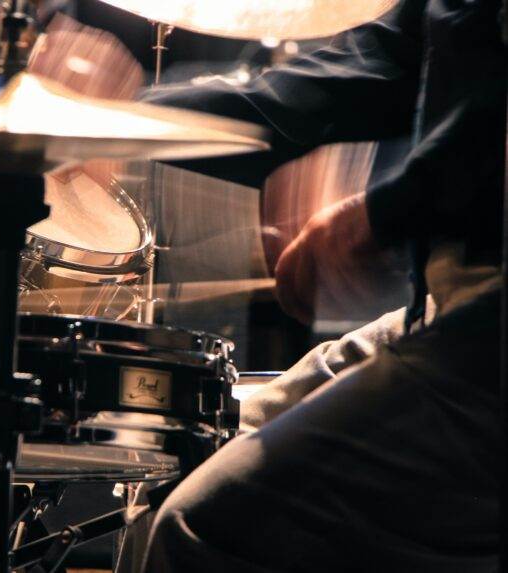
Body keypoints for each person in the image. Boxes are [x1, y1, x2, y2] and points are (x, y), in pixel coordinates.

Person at [139, 0, 505, 570]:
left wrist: (384, 215)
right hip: (452, 309)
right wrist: (134, 121)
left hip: (489, 332)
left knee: (203, 523)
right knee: (200, 448)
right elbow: (383, 57)